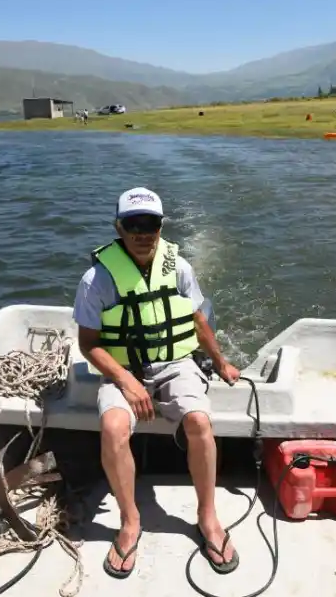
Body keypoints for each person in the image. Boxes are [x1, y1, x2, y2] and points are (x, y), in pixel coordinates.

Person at [72, 187, 242, 580]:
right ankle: (130, 521)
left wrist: (220, 362)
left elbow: (199, 323)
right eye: (134, 224)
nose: (143, 232)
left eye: (150, 224)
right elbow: (88, 345)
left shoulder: (179, 268)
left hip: (175, 362)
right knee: (114, 426)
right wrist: (127, 382)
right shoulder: (95, 279)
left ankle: (208, 517)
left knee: (199, 420)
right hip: (122, 367)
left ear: (161, 227)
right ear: (119, 227)